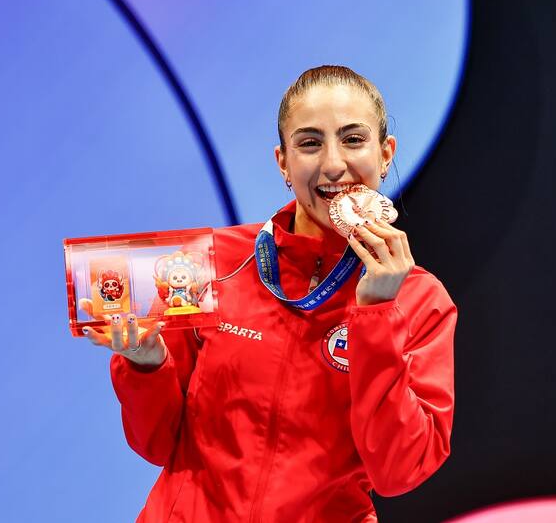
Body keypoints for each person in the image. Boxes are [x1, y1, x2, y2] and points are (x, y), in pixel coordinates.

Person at [83, 65, 457, 522]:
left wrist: (377, 313)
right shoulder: (213, 264)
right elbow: (155, 444)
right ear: (283, 162)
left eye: (353, 139)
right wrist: (146, 364)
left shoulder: (420, 300)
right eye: (310, 142)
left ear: (385, 153)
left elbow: (399, 471)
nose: (334, 164)